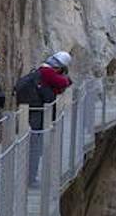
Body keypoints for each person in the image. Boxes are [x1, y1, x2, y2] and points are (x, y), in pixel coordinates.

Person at [14, 51, 72, 187]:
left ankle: (29, 177)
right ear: (60, 66)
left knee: (34, 146)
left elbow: (55, 88)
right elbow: (63, 83)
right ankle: (30, 179)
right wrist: (66, 78)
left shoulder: (41, 70)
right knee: (35, 147)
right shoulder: (48, 72)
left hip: (34, 112)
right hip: (38, 115)